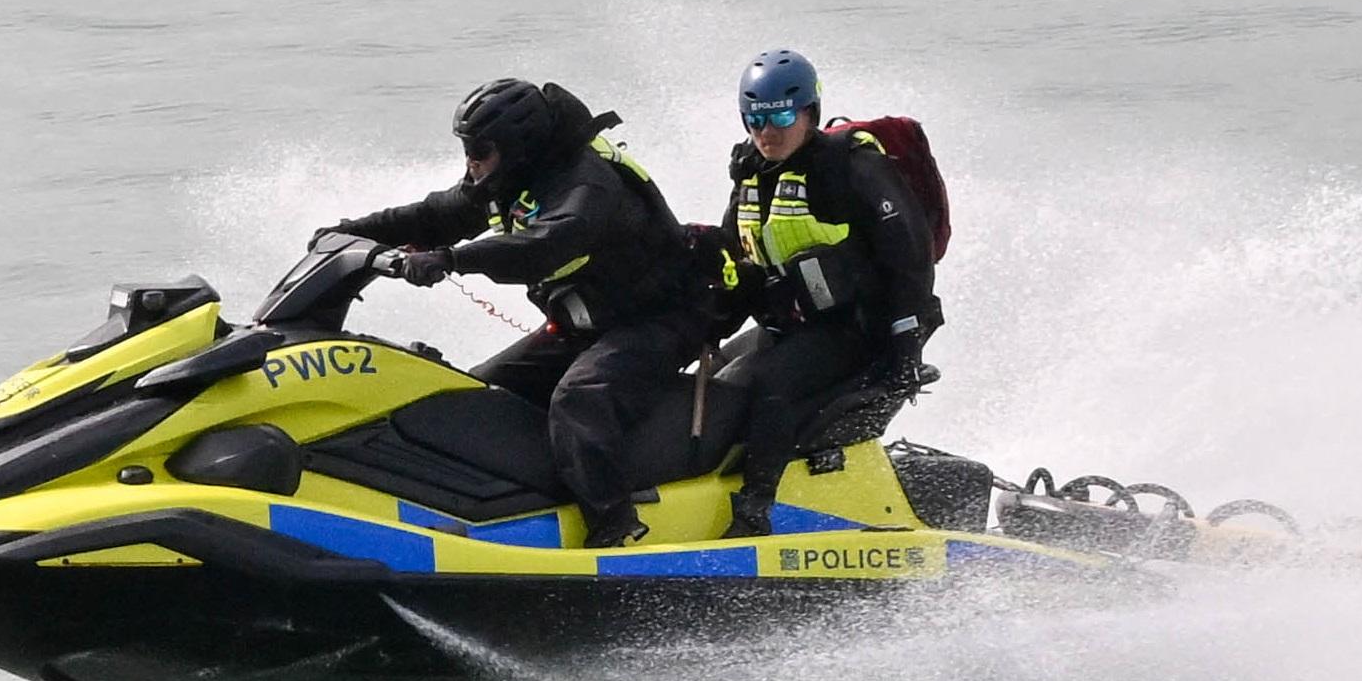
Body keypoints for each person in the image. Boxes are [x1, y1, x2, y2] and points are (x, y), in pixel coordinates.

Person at [325, 78, 703, 548]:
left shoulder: (587, 186)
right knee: (476, 393)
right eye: (467, 149)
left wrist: (450, 259)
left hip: (662, 319)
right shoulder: (508, 181)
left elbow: (540, 247)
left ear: (516, 146)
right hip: (586, 325)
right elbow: (434, 215)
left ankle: (616, 525)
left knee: (578, 400)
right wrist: (349, 232)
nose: (470, 161)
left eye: (479, 150)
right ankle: (516, 508)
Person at [705, 48, 941, 537]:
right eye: (755, 120)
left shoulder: (852, 167)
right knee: (718, 382)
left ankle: (754, 512)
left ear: (809, 112)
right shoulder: (750, 173)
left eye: (781, 119)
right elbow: (735, 257)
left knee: (769, 384)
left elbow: (911, 257)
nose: (767, 133)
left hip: (860, 329)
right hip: (793, 326)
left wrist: (906, 342)